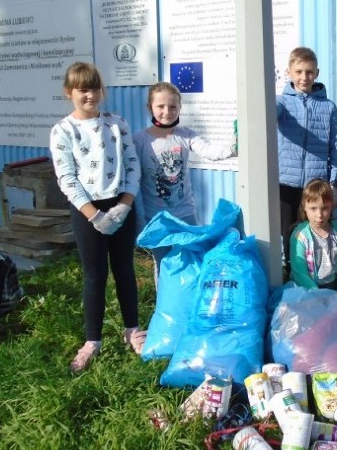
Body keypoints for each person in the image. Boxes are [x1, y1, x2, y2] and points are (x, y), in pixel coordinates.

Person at [49, 62, 144, 373]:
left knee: (124, 270)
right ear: (69, 93)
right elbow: (66, 178)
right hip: (87, 211)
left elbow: (132, 165)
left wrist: (125, 204)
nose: (89, 94)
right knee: (94, 276)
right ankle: (93, 340)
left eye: (94, 87)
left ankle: (132, 329)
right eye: (82, 89)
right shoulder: (64, 130)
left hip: (120, 206)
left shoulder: (117, 123)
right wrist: (94, 215)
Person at [133, 82, 235, 284]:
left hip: (186, 214)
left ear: (180, 108)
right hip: (158, 218)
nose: (167, 111)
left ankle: (189, 299)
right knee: (163, 263)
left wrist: (234, 147)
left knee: (191, 258)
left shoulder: (186, 135)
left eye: (172, 107)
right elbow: (134, 182)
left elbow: (210, 152)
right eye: (160, 106)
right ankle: (164, 304)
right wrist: (140, 218)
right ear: (150, 108)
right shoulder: (140, 140)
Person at [277, 47, 337, 264]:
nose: (303, 77)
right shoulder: (282, 102)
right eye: (298, 72)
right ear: (289, 72)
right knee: (289, 234)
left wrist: (336, 184)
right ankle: (292, 278)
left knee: (314, 232)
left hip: (315, 185)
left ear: (317, 73)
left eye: (309, 72)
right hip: (286, 183)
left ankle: (317, 277)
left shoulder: (328, 107)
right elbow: (268, 111)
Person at [289, 178, 337, 306]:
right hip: (306, 290)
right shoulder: (299, 236)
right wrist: (318, 298)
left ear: (332, 207)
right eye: (313, 208)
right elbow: (300, 273)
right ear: (305, 207)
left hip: (331, 286)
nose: (319, 215)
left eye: (324, 208)